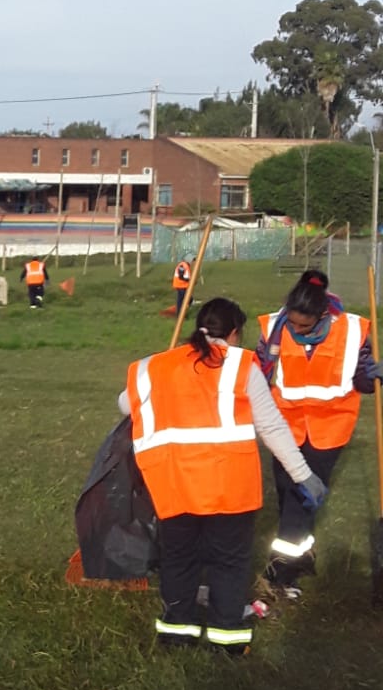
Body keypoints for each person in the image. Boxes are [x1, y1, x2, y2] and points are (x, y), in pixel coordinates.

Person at [121, 297, 326, 654]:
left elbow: (126, 404)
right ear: (233, 333)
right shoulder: (241, 367)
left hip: (173, 485)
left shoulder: (152, 368)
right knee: (228, 562)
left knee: (178, 559)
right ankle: (227, 639)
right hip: (228, 488)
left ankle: (175, 633)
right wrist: (303, 474)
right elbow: (272, 427)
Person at [255, 269, 379, 599]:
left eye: (303, 326)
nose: (296, 330)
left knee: (299, 499)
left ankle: (279, 575)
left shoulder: (353, 331)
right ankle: (304, 554)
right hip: (283, 428)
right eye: (292, 324)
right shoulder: (273, 329)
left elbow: (362, 381)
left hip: (329, 430)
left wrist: (372, 374)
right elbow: (258, 373)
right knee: (288, 497)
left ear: (323, 314)